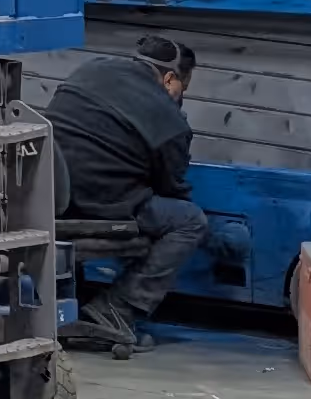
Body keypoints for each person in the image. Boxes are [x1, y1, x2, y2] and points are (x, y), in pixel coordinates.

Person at [47, 32, 209, 353]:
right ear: (168, 79)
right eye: (182, 89)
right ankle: (115, 311)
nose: (180, 97)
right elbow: (172, 188)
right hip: (102, 205)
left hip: (46, 194)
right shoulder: (170, 121)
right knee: (189, 222)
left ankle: (73, 302)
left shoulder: (90, 70)